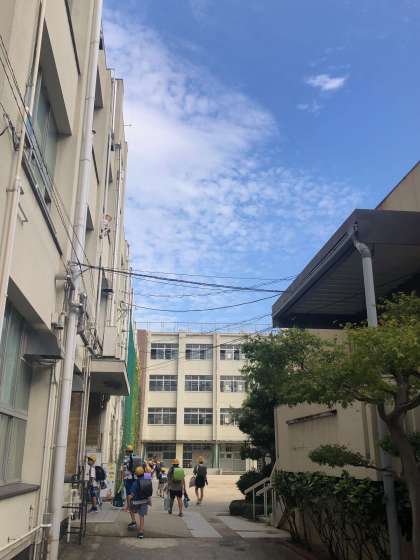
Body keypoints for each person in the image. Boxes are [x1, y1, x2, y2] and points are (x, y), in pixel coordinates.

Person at [129, 466, 153, 539]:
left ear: (136, 475)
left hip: (136, 502)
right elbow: (149, 472)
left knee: (130, 508)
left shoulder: (135, 483)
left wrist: (128, 504)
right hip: (145, 501)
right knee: (141, 516)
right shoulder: (147, 478)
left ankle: (133, 522)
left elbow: (131, 495)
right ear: (143, 473)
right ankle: (141, 532)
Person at [121, 444, 136, 529]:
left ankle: (133, 521)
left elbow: (123, 470)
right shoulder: (137, 458)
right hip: (136, 481)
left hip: (128, 481)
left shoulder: (125, 459)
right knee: (135, 499)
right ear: (132, 451)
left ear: (127, 451)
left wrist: (123, 480)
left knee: (129, 500)